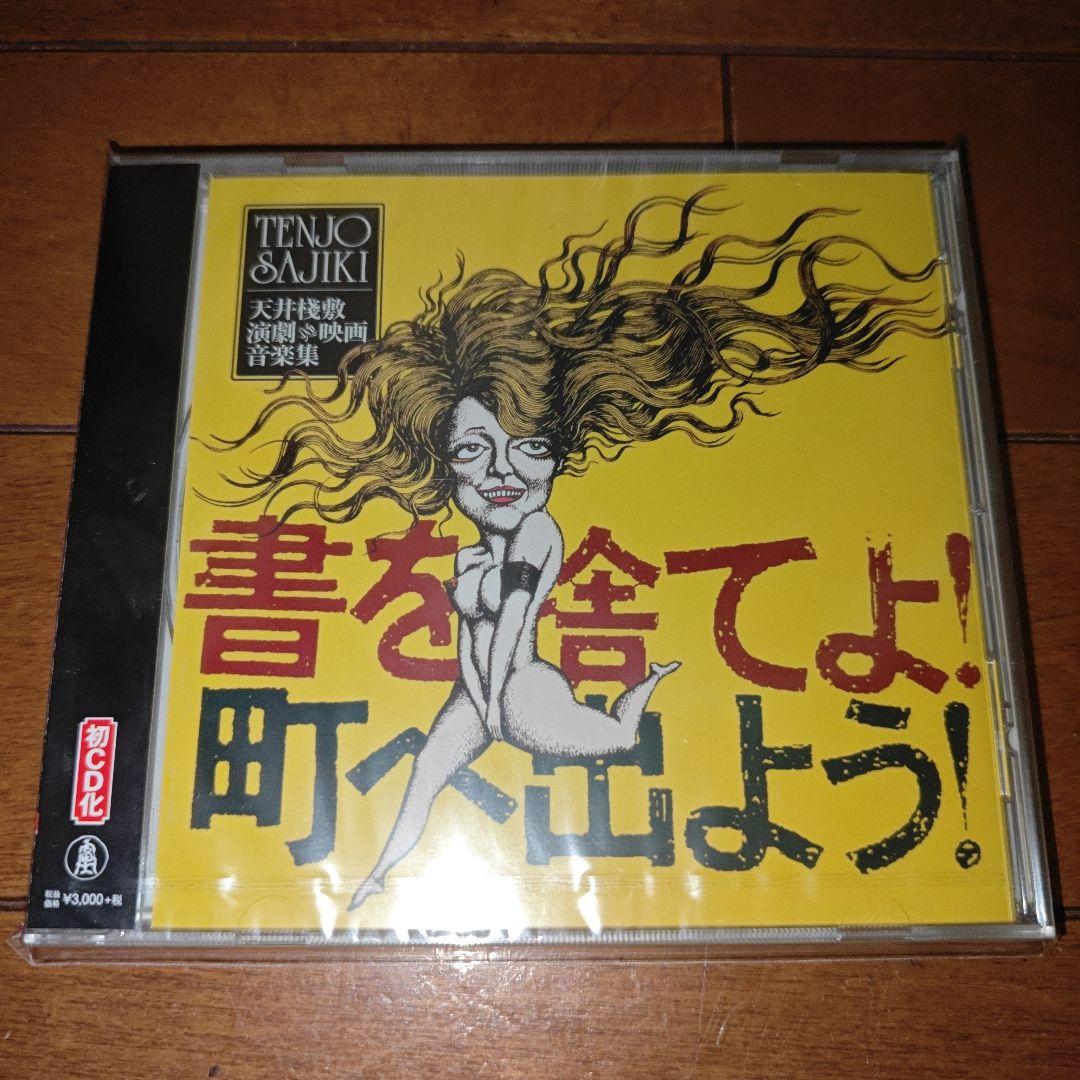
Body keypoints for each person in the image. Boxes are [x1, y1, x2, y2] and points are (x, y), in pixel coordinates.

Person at [213, 188, 941, 910]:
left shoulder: (537, 534)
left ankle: (640, 693)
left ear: (557, 455)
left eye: (528, 447)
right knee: (424, 776)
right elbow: (474, 634)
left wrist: (495, 710)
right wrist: (475, 694)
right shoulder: (471, 554)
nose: (501, 472)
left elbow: (513, 622)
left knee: (617, 739)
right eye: (473, 450)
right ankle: (374, 878)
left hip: (521, 691)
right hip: (478, 693)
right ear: (443, 464)